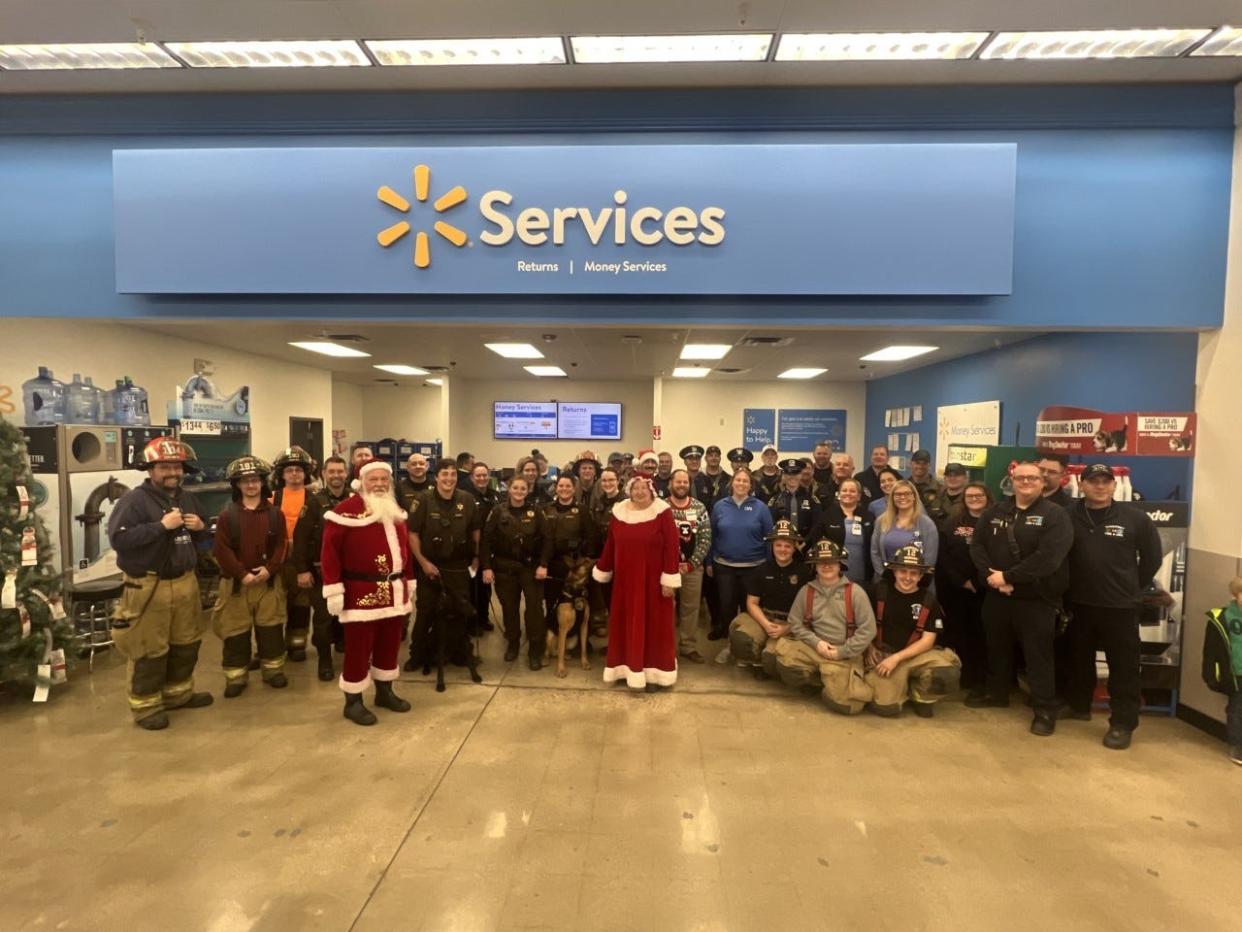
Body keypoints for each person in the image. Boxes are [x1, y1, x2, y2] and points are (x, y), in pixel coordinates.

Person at [106, 437, 213, 730]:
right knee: (149, 649)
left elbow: (205, 538)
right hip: (148, 587)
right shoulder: (133, 501)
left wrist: (201, 529)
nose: (172, 473)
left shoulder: (187, 498)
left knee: (186, 642)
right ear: (150, 469)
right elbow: (120, 540)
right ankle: (146, 707)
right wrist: (160, 527)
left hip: (185, 583)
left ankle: (179, 694)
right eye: (165, 466)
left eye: (177, 467)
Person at [967, 461, 1073, 737]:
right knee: (997, 647)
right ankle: (997, 694)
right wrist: (994, 578)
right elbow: (978, 545)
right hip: (997, 595)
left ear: (1043, 482)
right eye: (1020, 478)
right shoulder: (995, 511)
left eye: (1033, 478)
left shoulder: (1055, 515)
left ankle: (1044, 710)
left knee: (1038, 656)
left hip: (1037, 599)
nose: (1026, 482)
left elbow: (1049, 558)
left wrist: (1009, 577)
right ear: (1011, 481)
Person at [1064, 464, 1164, 750]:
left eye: (1105, 481)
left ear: (1113, 485)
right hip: (1077, 603)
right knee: (1077, 661)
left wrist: (1132, 586)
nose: (1099, 486)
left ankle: (1122, 723)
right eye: (1093, 481)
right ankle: (1078, 706)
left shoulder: (1135, 518)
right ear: (1081, 485)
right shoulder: (1067, 516)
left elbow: (1152, 559)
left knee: (1123, 668)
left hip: (1119, 606)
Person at [320, 460, 414, 725]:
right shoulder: (344, 512)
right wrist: (333, 589)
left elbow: (404, 551)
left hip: (394, 591)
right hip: (360, 593)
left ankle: (384, 691)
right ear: (361, 482)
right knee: (358, 648)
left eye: (385, 479)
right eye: (374, 480)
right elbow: (329, 554)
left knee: (390, 643)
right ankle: (353, 700)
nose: (380, 484)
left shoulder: (395, 509)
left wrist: (410, 580)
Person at [592, 473, 682, 691]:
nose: (639, 492)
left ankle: (654, 674)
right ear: (629, 490)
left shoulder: (662, 512)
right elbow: (611, 544)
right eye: (635, 488)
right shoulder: (619, 512)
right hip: (625, 582)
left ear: (651, 489)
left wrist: (669, 579)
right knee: (626, 624)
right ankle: (627, 669)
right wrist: (603, 569)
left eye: (644, 488)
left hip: (653, 583)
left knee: (654, 627)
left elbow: (672, 547)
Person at [770, 539, 877, 715]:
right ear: (815, 566)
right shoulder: (807, 591)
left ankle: (832, 682)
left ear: (840, 564)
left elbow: (868, 630)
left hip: (845, 654)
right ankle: (816, 680)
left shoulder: (855, 592)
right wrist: (816, 642)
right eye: (821, 562)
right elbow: (794, 622)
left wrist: (842, 651)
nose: (826, 566)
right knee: (783, 661)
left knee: (850, 707)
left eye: (831, 562)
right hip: (815, 649)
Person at [212, 455, 288, 698]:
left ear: (262, 482)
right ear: (237, 485)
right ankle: (236, 677)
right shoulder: (227, 516)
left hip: (268, 583)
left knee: (271, 629)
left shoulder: (276, 514)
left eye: (255, 480)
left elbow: (281, 546)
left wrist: (270, 569)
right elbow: (221, 550)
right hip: (236, 585)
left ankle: (273, 671)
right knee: (235, 632)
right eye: (245, 481)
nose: (251, 485)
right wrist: (242, 574)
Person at [863, 546, 961, 718]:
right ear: (894, 571)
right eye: (903, 571)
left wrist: (897, 658)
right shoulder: (877, 592)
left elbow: (928, 640)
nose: (908, 578)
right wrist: (869, 647)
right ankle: (899, 687)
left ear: (921, 576)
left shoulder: (929, 600)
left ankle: (921, 696)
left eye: (914, 573)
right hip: (883, 657)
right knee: (885, 708)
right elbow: (861, 625)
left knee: (947, 672)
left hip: (915, 656)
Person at [405, 459, 482, 672]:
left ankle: (459, 652)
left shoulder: (467, 500)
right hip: (431, 565)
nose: (449, 479)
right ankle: (416, 655)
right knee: (426, 612)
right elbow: (412, 534)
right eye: (445, 474)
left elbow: (475, 531)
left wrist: (476, 557)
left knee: (460, 610)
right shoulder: (423, 500)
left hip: (458, 567)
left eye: (453, 475)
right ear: (436, 477)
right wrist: (423, 562)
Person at [480, 476, 552, 666]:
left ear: (528, 491)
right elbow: (486, 541)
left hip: (531, 568)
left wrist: (543, 564)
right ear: (509, 489)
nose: (519, 491)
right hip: (505, 568)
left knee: (534, 611)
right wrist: (486, 567)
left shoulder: (536, 511)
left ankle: (535, 651)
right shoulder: (497, 511)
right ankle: (512, 643)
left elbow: (547, 539)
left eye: (523, 488)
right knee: (509, 609)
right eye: (516, 488)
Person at [729, 520, 811, 679]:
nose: (783, 550)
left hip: (790, 622)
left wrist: (787, 628)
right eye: (778, 545)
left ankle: (766, 658)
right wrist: (766, 625)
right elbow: (752, 603)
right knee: (741, 638)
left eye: (787, 546)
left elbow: (808, 610)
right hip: (763, 618)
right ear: (772, 547)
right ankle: (755, 656)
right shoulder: (761, 570)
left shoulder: (804, 573)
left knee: (773, 660)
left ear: (794, 548)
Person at [935, 482, 993, 698]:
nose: (974, 498)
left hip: (985, 589)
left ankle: (980, 680)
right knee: (958, 632)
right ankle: (962, 677)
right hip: (956, 589)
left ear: (987, 497)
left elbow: (999, 554)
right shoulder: (953, 522)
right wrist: (960, 580)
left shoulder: (995, 521)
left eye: (979, 495)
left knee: (982, 635)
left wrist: (978, 581)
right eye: (970, 495)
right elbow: (944, 555)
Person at [708, 469, 774, 657]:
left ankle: (748, 648)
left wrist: (769, 564)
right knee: (727, 607)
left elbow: (769, 537)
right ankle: (730, 646)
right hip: (725, 567)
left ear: (750, 485)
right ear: (732, 483)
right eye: (738, 480)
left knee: (749, 610)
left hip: (754, 568)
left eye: (746, 481)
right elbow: (712, 535)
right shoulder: (720, 506)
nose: (742, 483)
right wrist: (709, 562)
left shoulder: (761, 507)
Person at [542, 474, 598, 671]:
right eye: (561, 486)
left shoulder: (582, 510)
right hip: (553, 567)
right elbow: (541, 537)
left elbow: (590, 537)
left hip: (575, 569)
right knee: (551, 607)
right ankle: (549, 646)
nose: (564, 489)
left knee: (580, 609)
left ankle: (579, 648)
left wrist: (585, 559)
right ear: (556, 488)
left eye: (568, 486)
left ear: (574, 489)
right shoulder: (546, 508)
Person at [271, 445, 319, 662]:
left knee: (301, 604)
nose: (294, 474)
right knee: (273, 605)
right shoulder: (272, 498)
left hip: (301, 563)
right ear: (282, 474)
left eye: (299, 470)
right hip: (277, 562)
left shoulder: (314, 498)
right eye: (289, 470)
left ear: (305, 473)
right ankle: (270, 646)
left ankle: (296, 644)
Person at [306, 454, 350, 679]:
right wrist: (303, 570)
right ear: (323, 474)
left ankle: (344, 647)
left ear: (346, 473)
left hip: (350, 571)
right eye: (331, 472)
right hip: (322, 570)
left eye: (340, 471)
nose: (336, 476)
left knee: (347, 615)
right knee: (323, 618)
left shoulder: (355, 500)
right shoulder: (314, 501)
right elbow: (301, 537)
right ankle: (324, 661)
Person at [667, 468, 711, 664]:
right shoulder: (661, 507)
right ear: (671, 484)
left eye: (685, 482)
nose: (682, 485)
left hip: (693, 569)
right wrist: (670, 565)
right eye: (678, 482)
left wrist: (691, 564)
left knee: (690, 608)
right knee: (666, 608)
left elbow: (705, 539)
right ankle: (665, 647)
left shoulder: (699, 507)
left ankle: (688, 646)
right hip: (666, 569)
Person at [1202, 577, 1242, 766]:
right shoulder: (1221, 618)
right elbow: (1210, 649)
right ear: (1235, 595)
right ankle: (1236, 745)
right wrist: (1209, 672)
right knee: (1237, 710)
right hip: (1235, 673)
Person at [807, 477, 874, 583]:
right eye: (844, 490)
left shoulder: (869, 517)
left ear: (859, 496)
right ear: (838, 494)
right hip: (833, 574)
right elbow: (813, 541)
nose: (848, 493)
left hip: (862, 573)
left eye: (852, 491)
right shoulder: (827, 516)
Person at [871, 479, 940, 578]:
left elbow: (930, 559)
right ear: (892, 497)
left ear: (914, 496)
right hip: (885, 580)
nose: (902, 497)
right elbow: (875, 552)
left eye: (907, 493)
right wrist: (884, 575)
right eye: (898, 494)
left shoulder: (927, 524)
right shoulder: (881, 521)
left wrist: (913, 580)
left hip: (915, 583)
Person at [466, 461, 500, 636]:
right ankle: (472, 622)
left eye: (484, 475)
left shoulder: (494, 496)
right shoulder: (465, 497)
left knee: (485, 586)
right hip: (473, 550)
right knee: (473, 586)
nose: (482, 478)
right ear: (472, 478)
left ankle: (483, 618)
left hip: (490, 549)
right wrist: (475, 553)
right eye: (478, 475)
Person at [908, 450, 944, 516]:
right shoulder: (904, 486)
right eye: (917, 463)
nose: (920, 466)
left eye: (924, 463)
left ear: (929, 465)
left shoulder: (940, 489)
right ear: (911, 464)